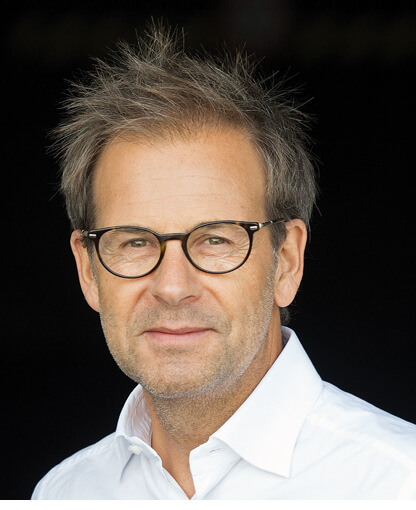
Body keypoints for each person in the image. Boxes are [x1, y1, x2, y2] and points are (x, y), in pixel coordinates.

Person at [32, 23, 416, 500]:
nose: (172, 287)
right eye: (135, 243)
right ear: (89, 271)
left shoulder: (400, 484)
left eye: (214, 240)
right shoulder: (63, 494)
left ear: (287, 261)